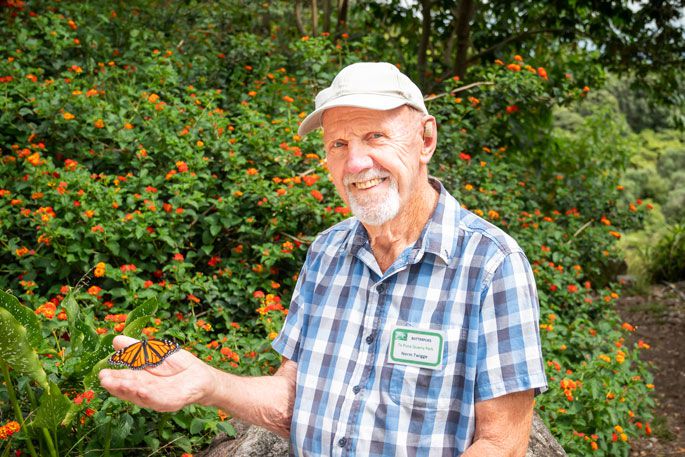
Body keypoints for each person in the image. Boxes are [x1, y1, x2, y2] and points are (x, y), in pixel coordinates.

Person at [99, 62, 547, 456]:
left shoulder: (492, 264)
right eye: (338, 145)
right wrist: (209, 384)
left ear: (425, 139)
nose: (355, 163)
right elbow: (292, 400)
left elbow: (502, 444)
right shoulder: (325, 252)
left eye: (375, 136)